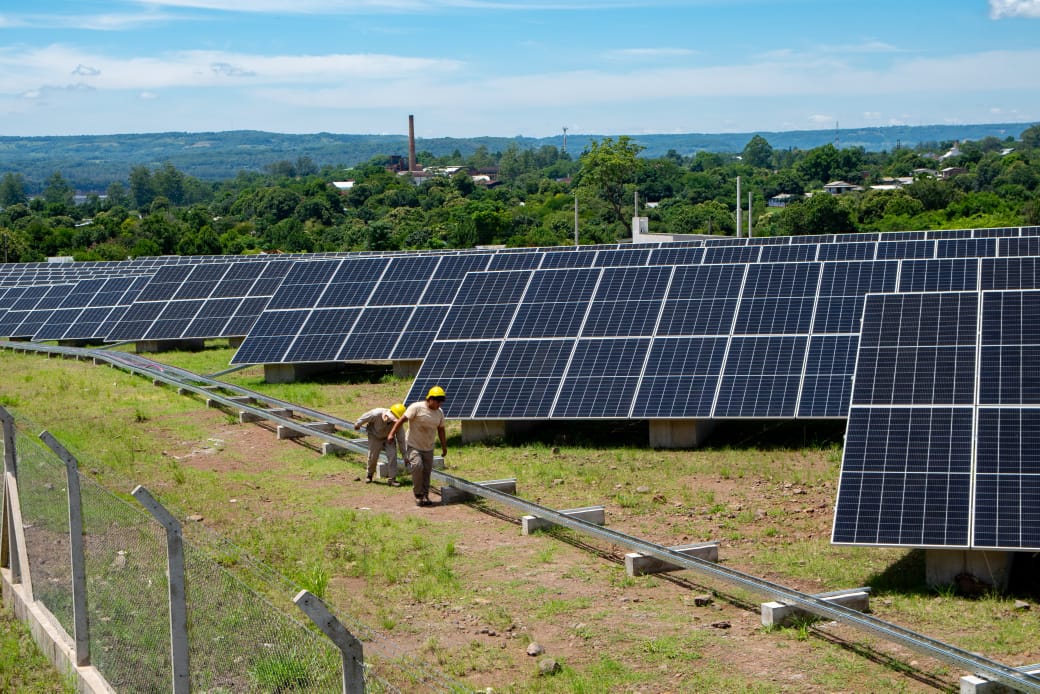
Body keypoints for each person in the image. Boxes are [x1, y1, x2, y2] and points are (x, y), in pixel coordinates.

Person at [386, 386, 447, 507]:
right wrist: (391, 434)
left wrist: (444, 447)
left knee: (426, 472)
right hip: (414, 445)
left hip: (428, 447)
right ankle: (418, 495)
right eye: (437, 401)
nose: (439, 404)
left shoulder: (439, 413)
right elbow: (401, 420)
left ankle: (425, 494)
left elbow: (441, 430)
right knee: (417, 466)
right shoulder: (416, 407)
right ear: (430, 399)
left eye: (441, 401)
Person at [354, 403, 407, 486]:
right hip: (374, 435)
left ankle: (392, 479)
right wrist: (358, 424)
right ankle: (369, 475)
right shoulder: (376, 413)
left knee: (392, 456)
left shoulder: (398, 424)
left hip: (389, 438)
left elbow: (401, 439)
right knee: (373, 456)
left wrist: (405, 455)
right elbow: (364, 417)